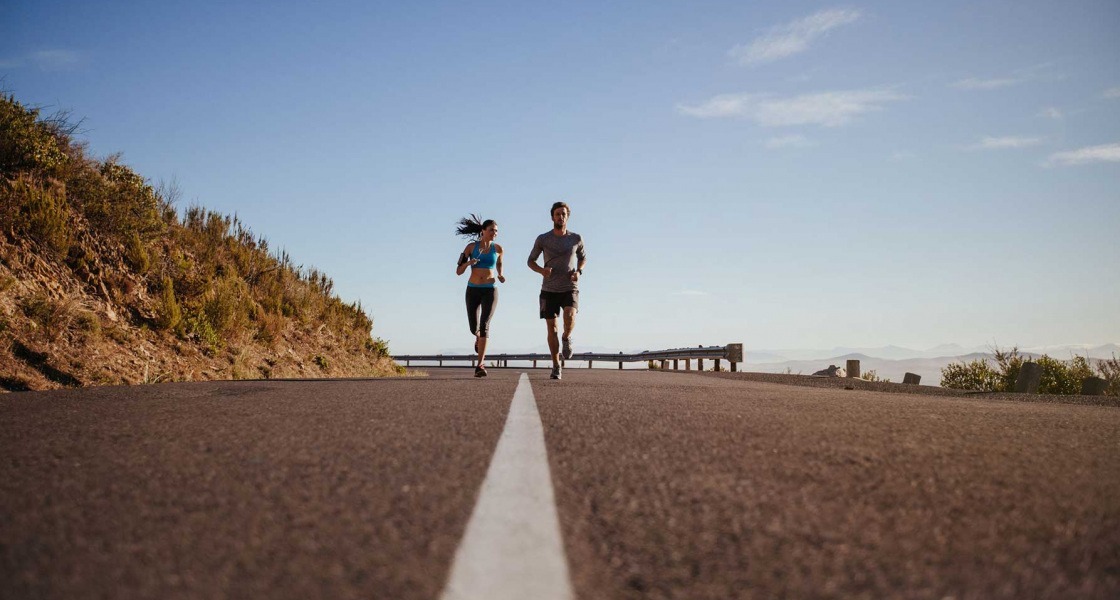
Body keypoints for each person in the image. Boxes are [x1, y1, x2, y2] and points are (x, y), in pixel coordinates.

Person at [527, 201, 586, 380]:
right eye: (557, 214)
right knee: (551, 328)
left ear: (568, 216)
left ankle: (566, 337)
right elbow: (530, 261)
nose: (561, 217)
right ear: (552, 217)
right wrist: (542, 271)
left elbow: (583, 257)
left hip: (569, 286)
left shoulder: (576, 238)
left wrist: (579, 271)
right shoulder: (543, 239)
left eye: (563, 214)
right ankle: (556, 365)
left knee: (569, 316)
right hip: (549, 289)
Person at [455, 214, 505, 377]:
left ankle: (480, 365)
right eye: (491, 230)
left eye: (496, 231)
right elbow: (458, 271)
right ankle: (477, 337)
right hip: (473, 289)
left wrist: (501, 274)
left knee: (485, 325)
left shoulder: (498, 249)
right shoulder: (471, 247)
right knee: (473, 327)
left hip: (490, 289)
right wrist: (469, 263)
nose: (494, 233)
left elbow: (499, 263)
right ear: (483, 231)